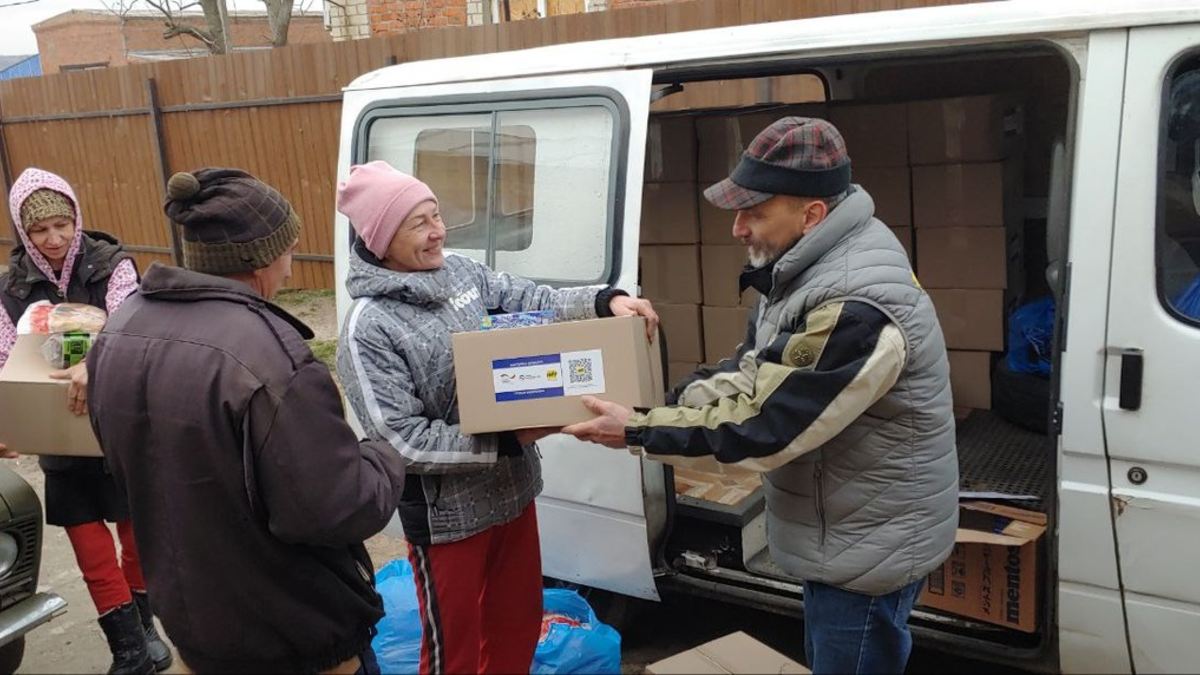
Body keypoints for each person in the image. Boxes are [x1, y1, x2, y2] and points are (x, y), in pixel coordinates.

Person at [563, 117, 959, 675]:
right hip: (850, 531)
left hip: (869, 548)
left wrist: (638, 429)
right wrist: (658, 404)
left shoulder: (854, 302)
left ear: (811, 214)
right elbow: (755, 372)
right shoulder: (810, 265)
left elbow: (766, 425)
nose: (737, 228)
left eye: (755, 211)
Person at [334, 160, 658, 675]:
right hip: (447, 521)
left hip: (512, 496)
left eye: (437, 215)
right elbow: (399, 441)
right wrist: (505, 440)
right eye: (418, 223)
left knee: (518, 627)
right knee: (453, 653)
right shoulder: (370, 327)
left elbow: (534, 300)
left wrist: (607, 301)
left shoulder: (462, 274)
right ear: (379, 238)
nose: (438, 231)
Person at [85, 168, 407, 674]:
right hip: (292, 634)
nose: (292, 269)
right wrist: (384, 455)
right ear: (260, 256)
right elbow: (335, 509)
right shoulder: (271, 359)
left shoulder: (120, 330)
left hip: (196, 627)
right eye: (289, 249)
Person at [0, 167, 171, 674]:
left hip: (117, 423)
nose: (54, 240)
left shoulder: (112, 266)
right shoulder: (10, 287)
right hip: (58, 435)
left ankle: (145, 626)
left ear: (77, 219)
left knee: (136, 536)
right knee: (87, 542)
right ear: (22, 232)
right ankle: (130, 652)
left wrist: (93, 362)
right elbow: (6, 359)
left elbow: (128, 327)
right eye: (39, 231)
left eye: (62, 225)